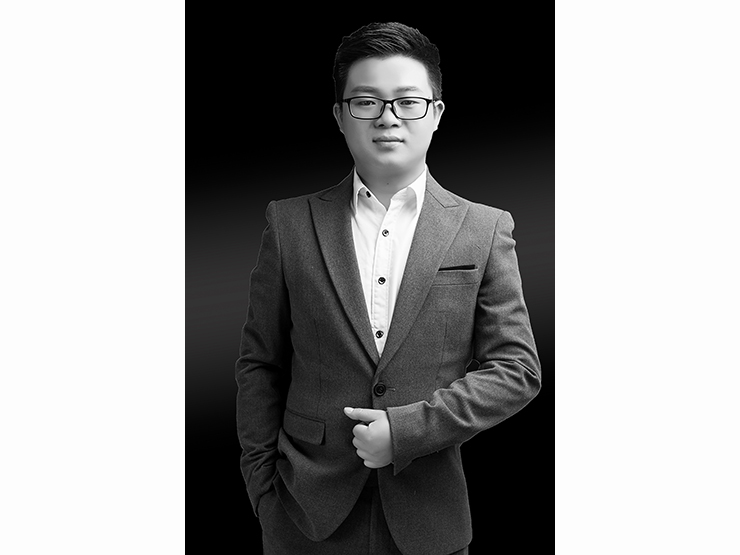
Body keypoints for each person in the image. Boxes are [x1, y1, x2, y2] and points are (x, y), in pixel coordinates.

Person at [235, 21, 541, 555]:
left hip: (430, 515)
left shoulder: (484, 228)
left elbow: (517, 370)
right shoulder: (288, 224)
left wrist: (406, 431)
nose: (387, 117)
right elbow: (261, 363)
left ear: (436, 113)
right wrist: (262, 492)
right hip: (302, 513)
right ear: (339, 116)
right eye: (366, 102)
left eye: (407, 101)